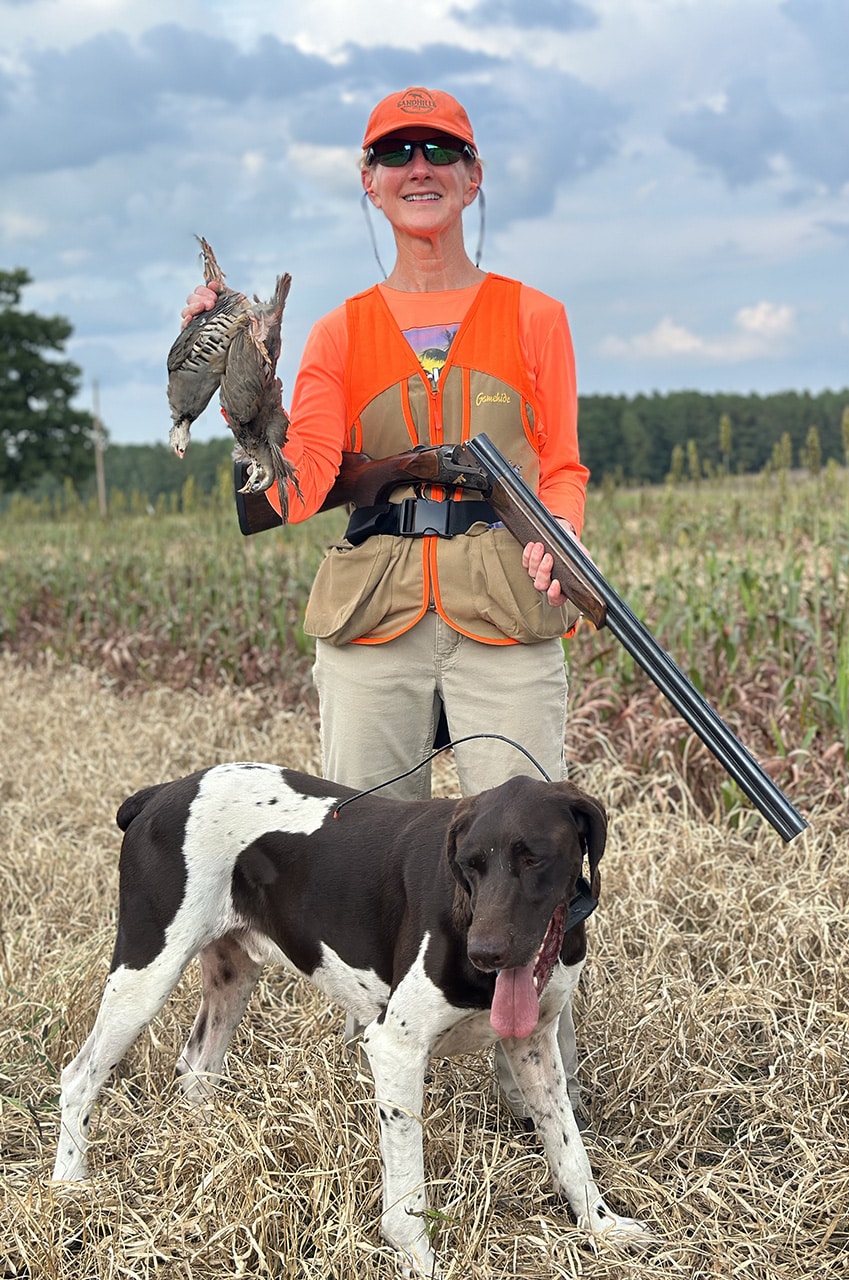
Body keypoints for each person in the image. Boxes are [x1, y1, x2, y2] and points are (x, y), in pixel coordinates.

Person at [183, 86, 591, 1126]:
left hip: (504, 601)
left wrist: (563, 542)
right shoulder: (339, 331)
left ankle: (538, 1087)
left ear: (473, 174)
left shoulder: (535, 315)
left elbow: (561, 466)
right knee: (361, 864)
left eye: (442, 150)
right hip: (375, 611)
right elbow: (286, 488)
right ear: (369, 181)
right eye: (395, 152)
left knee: (534, 847)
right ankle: (390, 1081)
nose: (420, 166)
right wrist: (238, 397)